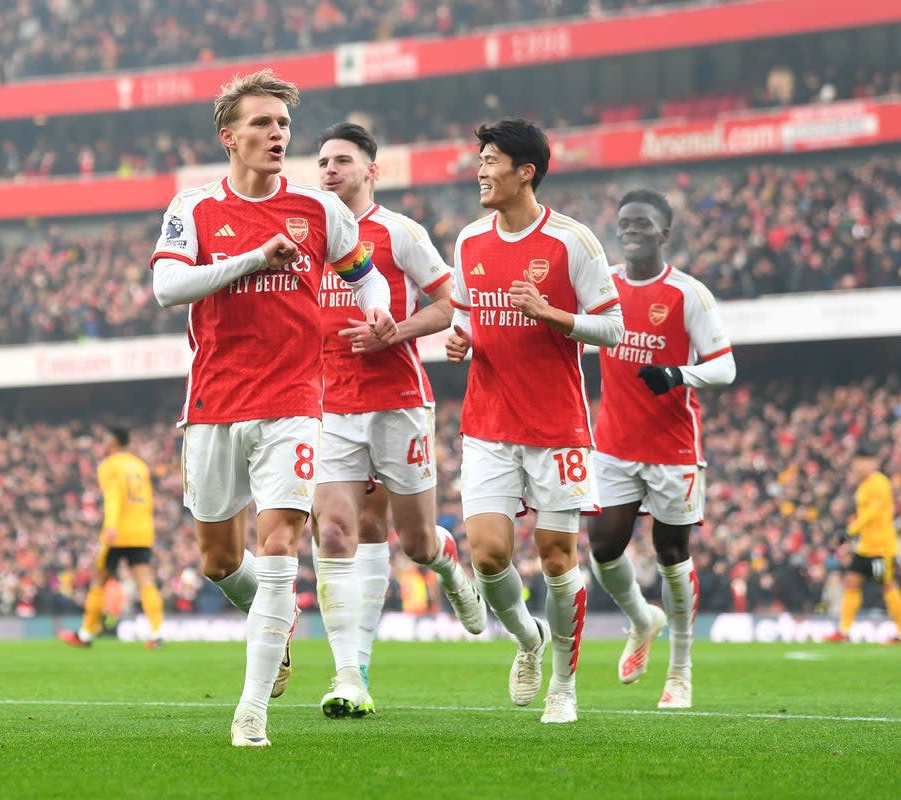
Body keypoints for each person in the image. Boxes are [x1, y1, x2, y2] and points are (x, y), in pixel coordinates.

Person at [149, 69, 397, 747]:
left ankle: (251, 711)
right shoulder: (194, 208)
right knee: (219, 561)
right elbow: (168, 287)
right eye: (262, 123)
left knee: (282, 542)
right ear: (229, 135)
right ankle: (278, 615)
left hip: (294, 402)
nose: (277, 134)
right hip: (214, 404)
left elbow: (366, 274)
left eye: (284, 124)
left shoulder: (321, 211)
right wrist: (253, 258)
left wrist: (378, 318)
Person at [445, 119, 624, 724]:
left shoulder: (574, 243)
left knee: (554, 557)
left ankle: (566, 686)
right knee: (489, 556)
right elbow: (468, 315)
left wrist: (552, 314)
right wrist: (460, 339)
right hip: (488, 423)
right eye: (480, 160)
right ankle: (529, 640)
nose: (481, 171)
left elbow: (616, 328)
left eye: (491, 160)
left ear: (526, 171)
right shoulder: (470, 241)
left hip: (556, 427)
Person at [312, 122, 487, 715]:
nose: (329, 170)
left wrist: (397, 333)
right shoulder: (308, 236)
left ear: (370, 170)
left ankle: (446, 560)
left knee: (410, 542)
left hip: (397, 403)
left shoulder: (399, 233)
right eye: (323, 162)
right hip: (329, 405)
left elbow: (448, 304)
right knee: (336, 528)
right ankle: (347, 678)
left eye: (342, 161)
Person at [587, 188, 737, 711]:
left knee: (673, 554)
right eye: (625, 221)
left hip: (673, 448)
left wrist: (679, 373)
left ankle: (680, 670)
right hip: (612, 443)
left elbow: (725, 365)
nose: (631, 229)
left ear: (663, 232)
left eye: (643, 223)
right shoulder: (602, 284)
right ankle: (640, 619)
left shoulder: (686, 293)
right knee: (603, 545)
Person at [59, 425, 166, 650]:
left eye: (106, 439)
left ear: (114, 442)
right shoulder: (139, 465)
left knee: (99, 580)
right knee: (145, 581)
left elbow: (113, 497)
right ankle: (156, 633)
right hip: (142, 531)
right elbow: (147, 500)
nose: (103, 443)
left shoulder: (109, 465)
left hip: (117, 532)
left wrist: (111, 526)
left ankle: (86, 633)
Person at [825, 442, 901, 644]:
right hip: (865, 548)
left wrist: (849, 531)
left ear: (870, 463)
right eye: (855, 464)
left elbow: (872, 514)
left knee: (887, 586)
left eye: (860, 463)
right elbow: (863, 513)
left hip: (881, 549)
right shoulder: (864, 485)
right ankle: (844, 631)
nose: (856, 468)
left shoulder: (879, 483)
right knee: (852, 583)